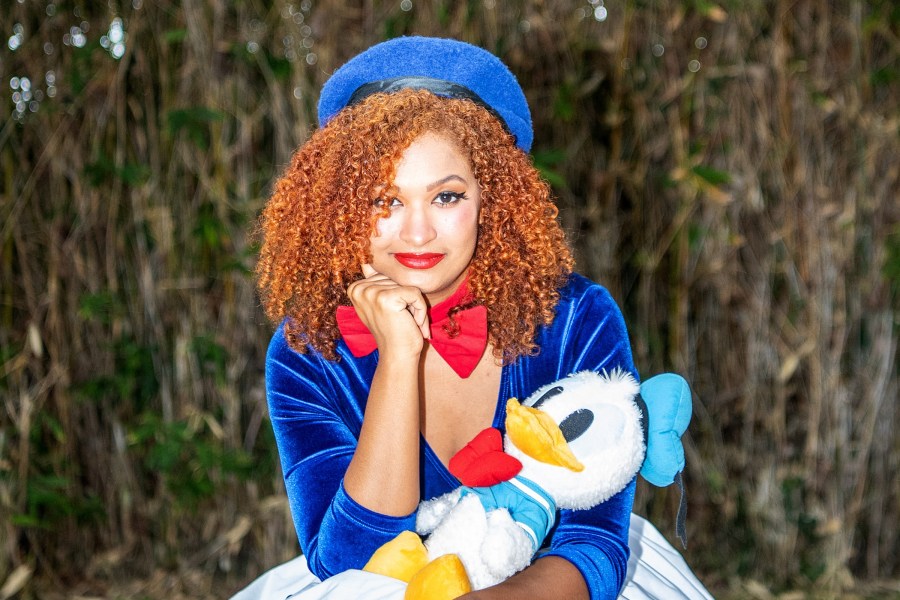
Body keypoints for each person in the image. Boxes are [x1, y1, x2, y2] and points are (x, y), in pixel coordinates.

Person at [242, 36, 712, 600]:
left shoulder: (575, 318)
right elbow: (347, 563)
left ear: (494, 198)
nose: (417, 233)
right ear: (343, 208)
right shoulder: (306, 350)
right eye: (384, 201)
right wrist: (397, 357)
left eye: (446, 197)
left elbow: (592, 542)